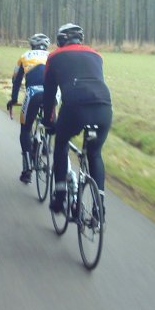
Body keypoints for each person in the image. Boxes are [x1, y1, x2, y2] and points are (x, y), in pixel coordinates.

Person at [42, 23, 112, 214]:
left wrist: (49, 121)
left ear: (61, 40)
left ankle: (60, 194)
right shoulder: (96, 55)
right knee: (95, 153)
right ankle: (99, 209)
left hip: (75, 108)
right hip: (104, 108)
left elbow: (49, 95)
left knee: (61, 142)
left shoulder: (54, 56)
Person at [6, 33, 50, 184]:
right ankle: (46, 146)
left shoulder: (24, 56)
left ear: (32, 46)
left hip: (34, 93)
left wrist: (14, 99)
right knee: (51, 120)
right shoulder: (52, 56)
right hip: (53, 94)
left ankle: (27, 170)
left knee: (25, 129)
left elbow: (16, 80)